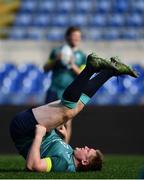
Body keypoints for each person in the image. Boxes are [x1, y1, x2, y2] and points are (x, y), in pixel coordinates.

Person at [10, 53, 137, 173]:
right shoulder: (70, 156)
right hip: (37, 127)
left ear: (85, 161)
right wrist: (64, 138)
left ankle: (91, 68)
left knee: (68, 112)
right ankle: (111, 71)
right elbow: (56, 151)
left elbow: (33, 166)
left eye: (88, 151)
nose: (86, 147)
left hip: (24, 130)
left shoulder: (64, 164)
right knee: (77, 107)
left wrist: (38, 136)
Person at [44, 26, 86, 142]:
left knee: (68, 121)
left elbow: (83, 75)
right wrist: (55, 60)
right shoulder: (56, 51)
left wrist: (73, 66)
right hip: (54, 88)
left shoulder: (82, 56)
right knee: (48, 120)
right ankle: (46, 147)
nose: (76, 38)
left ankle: (65, 149)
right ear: (67, 37)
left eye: (78, 36)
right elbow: (45, 68)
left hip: (69, 91)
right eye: (74, 36)